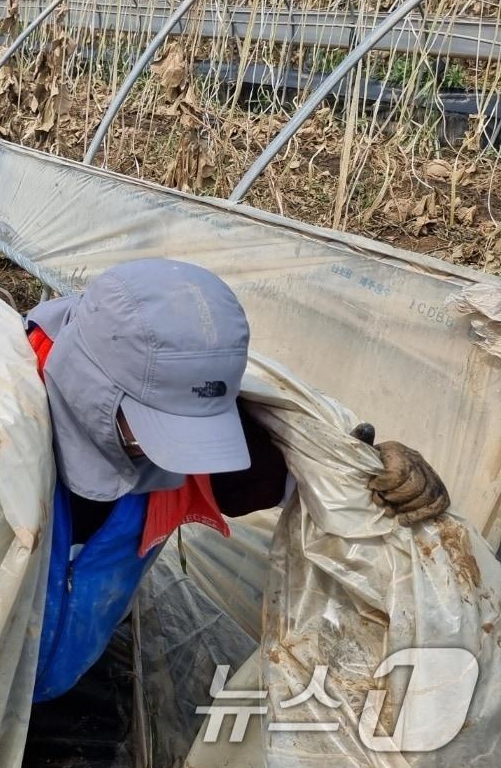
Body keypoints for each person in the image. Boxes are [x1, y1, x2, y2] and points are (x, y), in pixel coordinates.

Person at [24, 257, 450, 704]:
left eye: (193, 432)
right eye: (156, 426)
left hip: (60, 667)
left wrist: (371, 471)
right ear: (91, 383)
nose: (167, 453)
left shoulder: (196, 434)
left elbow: (294, 475)